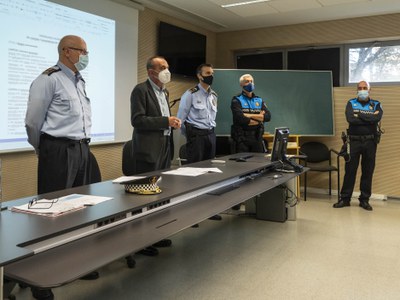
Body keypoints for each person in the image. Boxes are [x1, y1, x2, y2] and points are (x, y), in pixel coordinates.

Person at [25, 35, 99, 300]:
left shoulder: (78, 81)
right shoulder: (48, 79)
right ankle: (40, 280)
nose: (86, 55)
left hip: (81, 149)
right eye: (83, 50)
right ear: (67, 52)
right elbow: (33, 122)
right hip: (57, 149)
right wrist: (44, 149)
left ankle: (74, 264)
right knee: (50, 214)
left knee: (77, 211)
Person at [130, 56, 181, 255]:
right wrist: (165, 121)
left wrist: (171, 123)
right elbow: (138, 120)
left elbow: (162, 118)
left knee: (160, 194)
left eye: (167, 66)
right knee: (144, 196)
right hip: (148, 149)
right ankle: (140, 242)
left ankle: (155, 235)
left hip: (164, 145)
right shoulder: (140, 90)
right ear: (151, 71)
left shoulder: (164, 91)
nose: (167, 70)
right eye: (162, 67)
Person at [177, 63, 221, 221]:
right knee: (194, 175)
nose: (211, 75)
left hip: (210, 135)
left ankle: (208, 210)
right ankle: (191, 214)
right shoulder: (190, 94)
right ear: (199, 76)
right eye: (208, 73)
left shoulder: (214, 95)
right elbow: (180, 120)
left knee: (209, 174)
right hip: (196, 136)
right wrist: (191, 136)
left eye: (212, 72)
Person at [333, 80, 383, 211]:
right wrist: (369, 117)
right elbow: (350, 119)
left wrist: (359, 115)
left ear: (369, 89)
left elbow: (376, 119)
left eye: (364, 87)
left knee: (368, 171)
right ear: (356, 89)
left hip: (370, 142)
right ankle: (345, 199)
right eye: (360, 88)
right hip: (353, 141)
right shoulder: (351, 103)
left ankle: (364, 200)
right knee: (350, 171)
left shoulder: (376, 104)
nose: (362, 90)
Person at [231, 73, 271, 153]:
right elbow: (241, 119)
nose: (250, 83)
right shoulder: (236, 100)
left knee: (258, 163)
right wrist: (259, 118)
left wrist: (248, 115)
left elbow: (267, 117)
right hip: (242, 139)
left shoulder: (259, 100)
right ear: (241, 84)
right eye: (247, 81)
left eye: (251, 81)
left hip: (257, 138)